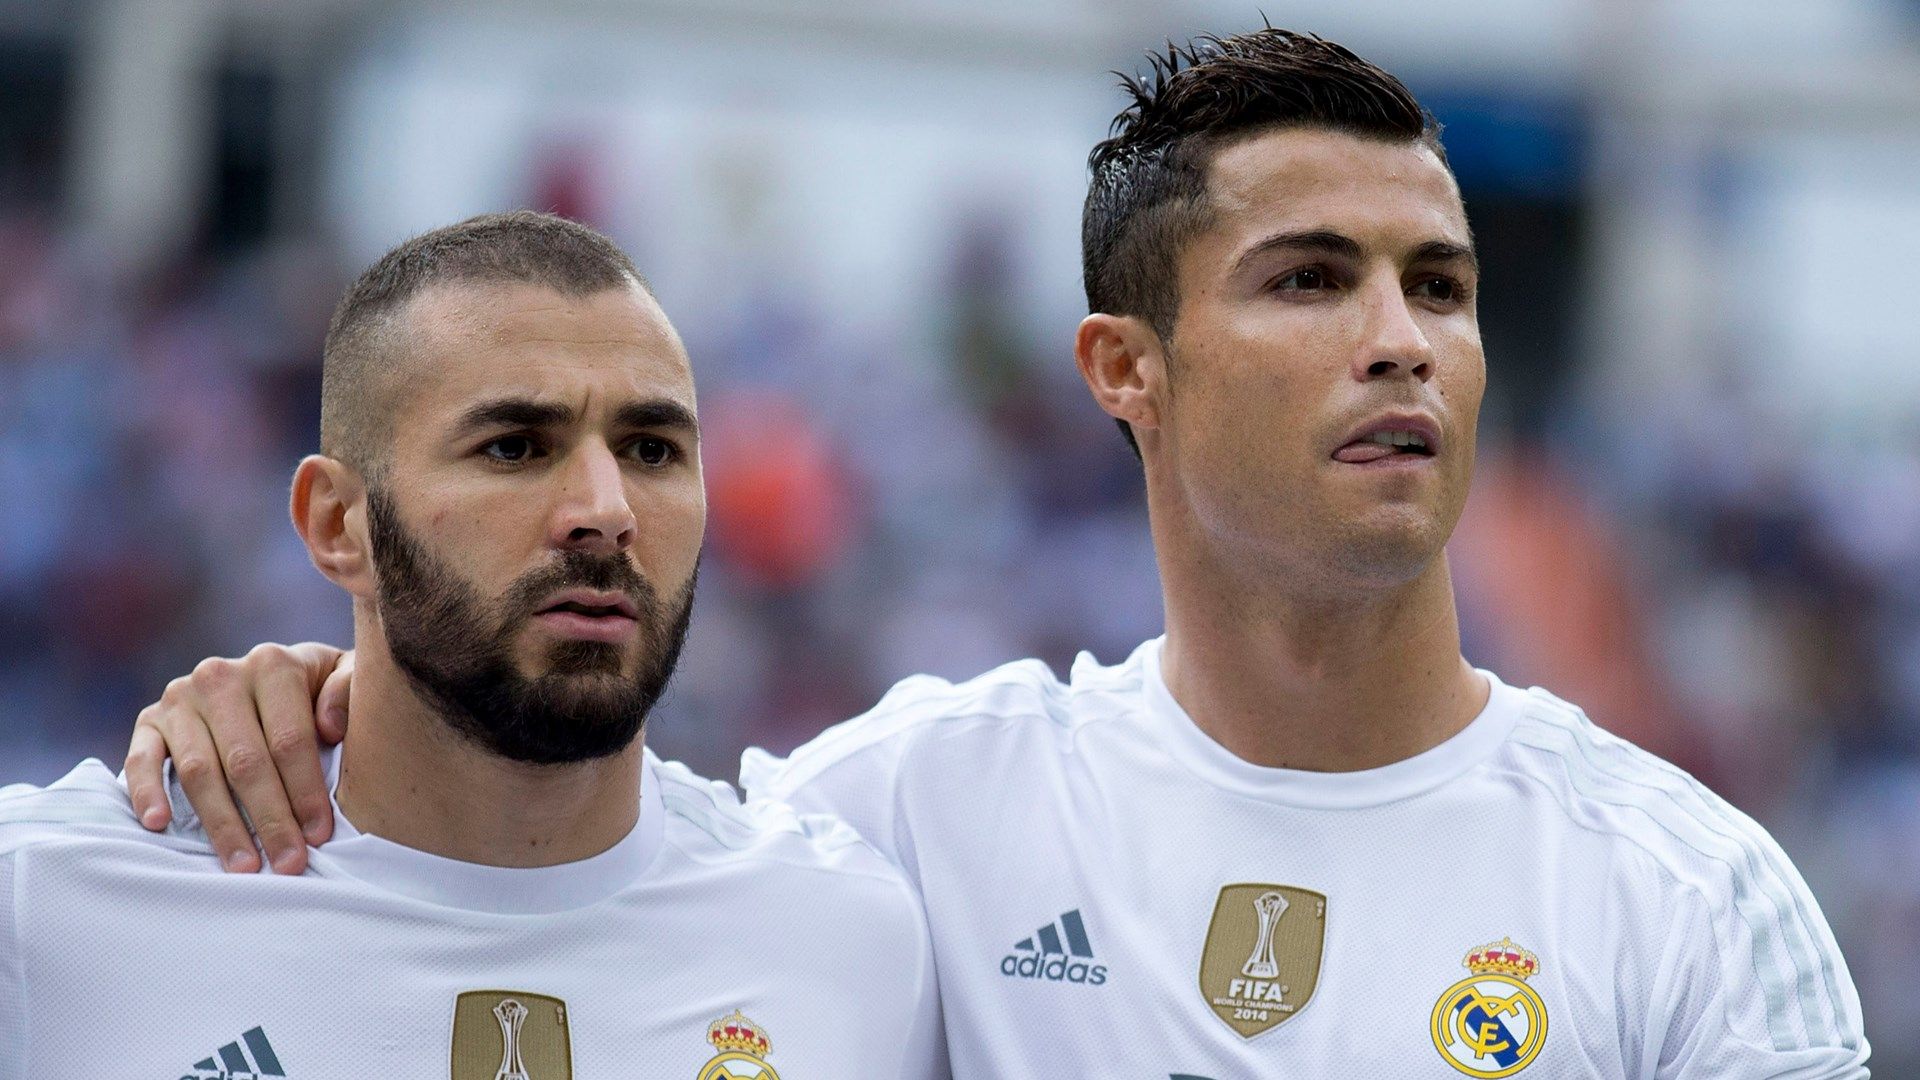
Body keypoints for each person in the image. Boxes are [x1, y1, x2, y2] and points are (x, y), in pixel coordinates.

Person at [120, 30, 1868, 1078]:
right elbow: (548, 839)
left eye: (1444, 287)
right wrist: (312, 694)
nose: (1403, 337)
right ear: (1125, 371)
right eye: (1312, 278)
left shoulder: (1692, 896)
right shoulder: (904, 819)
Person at [1, 212, 945, 1078]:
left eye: (652, 449)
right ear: (337, 524)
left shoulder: (853, 937)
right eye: (514, 448)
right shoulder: (49, 909)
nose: (605, 512)